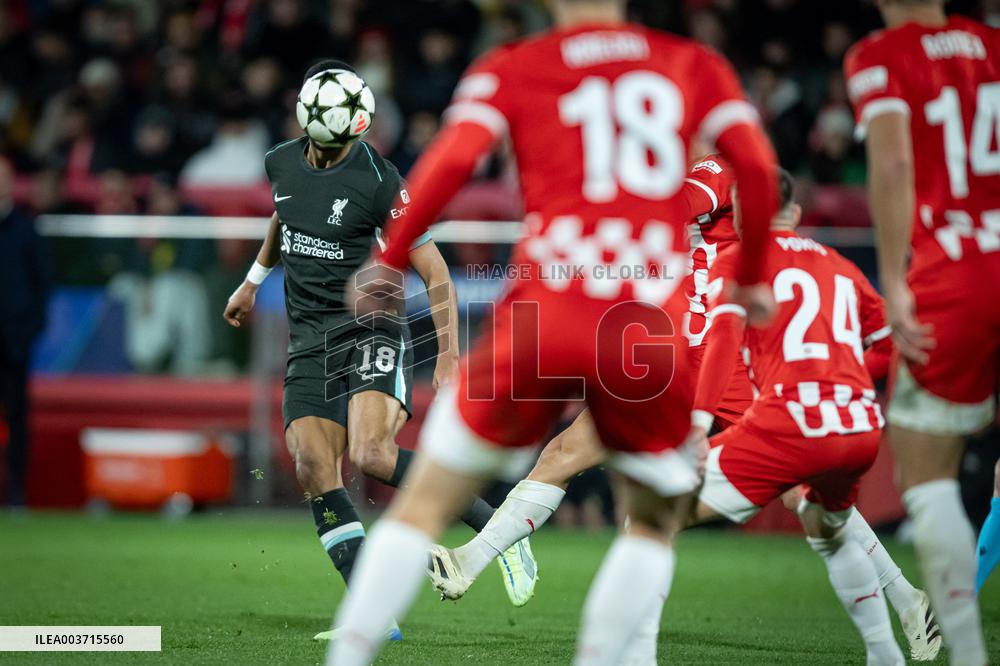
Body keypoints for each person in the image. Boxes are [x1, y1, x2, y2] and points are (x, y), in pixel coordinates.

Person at [328, 0, 782, 662]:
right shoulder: (693, 64)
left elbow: (450, 164)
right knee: (653, 523)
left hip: (547, 309)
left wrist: (388, 260)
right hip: (644, 324)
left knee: (422, 507)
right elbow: (761, 171)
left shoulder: (514, 65)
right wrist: (754, 276)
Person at [429, 163, 940, 663]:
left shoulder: (712, 170)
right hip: (675, 356)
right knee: (564, 452)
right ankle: (468, 562)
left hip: (724, 361)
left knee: (794, 499)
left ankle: (906, 601)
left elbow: (672, 212)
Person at [222, 60, 532, 640]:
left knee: (372, 456)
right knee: (316, 466)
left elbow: (435, 271)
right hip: (308, 337)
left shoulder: (381, 180)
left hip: (368, 331)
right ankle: (372, 617)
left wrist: (446, 354)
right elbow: (284, 213)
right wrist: (252, 280)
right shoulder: (281, 162)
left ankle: (497, 529)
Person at [687, 171, 905, 664]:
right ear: (798, 214)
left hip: (794, 421)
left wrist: (700, 426)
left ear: (746, 211)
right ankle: (885, 652)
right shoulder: (841, 266)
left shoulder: (738, 260)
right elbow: (893, 343)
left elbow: (721, 342)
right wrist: (849, 378)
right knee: (825, 524)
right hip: (859, 427)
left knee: (653, 511)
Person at [844, 2, 998, 663]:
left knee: (925, 470)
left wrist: (894, 276)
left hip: (955, 276)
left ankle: (963, 653)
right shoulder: (994, 45)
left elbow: (895, 164)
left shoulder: (882, 56)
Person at [0, 157, 50, 507]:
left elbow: (43, 285)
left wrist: (27, 332)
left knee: (17, 418)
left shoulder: (26, 228)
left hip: (13, 343)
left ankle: (17, 491)